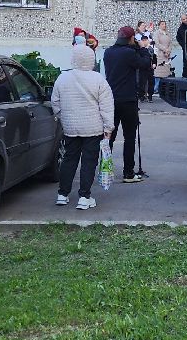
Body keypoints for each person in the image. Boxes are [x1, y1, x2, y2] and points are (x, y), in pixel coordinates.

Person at [50, 44, 114, 211]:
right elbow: (106, 106)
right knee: (89, 162)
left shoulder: (62, 78)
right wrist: (108, 128)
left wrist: (62, 117)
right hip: (93, 128)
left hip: (70, 128)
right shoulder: (98, 79)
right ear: (91, 60)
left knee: (69, 159)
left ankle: (62, 195)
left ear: (73, 59)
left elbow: (55, 102)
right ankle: (84, 197)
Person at [103, 24, 154, 183]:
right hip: (128, 101)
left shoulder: (108, 52)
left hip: (111, 100)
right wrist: (142, 47)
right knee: (129, 137)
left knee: (109, 138)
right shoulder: (129, 53)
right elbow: (145, 64)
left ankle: (106, 171)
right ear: (131, 38)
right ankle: (128, 173)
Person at [152, 20, 174, 92]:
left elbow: (170, 43)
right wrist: (165, 50)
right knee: (159, 72)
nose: (164, 25)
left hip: (167, 55)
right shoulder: (156, 33)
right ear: (159, 25)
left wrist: (168, 51)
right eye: (162, 24)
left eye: (165, 24)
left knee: (166, 72)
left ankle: (163, 88)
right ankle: (156, 88)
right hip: (160, 54)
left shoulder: (167, 33)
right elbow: (157, 43)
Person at [175, 13, 187, 79]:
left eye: (186, 18)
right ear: (182, 20)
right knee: (186, 65)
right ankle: (184, 79)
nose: (185, 20)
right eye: (184, 19)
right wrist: (183, 45)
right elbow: (178, 38)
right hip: (186, 49)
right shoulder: (181, 28)